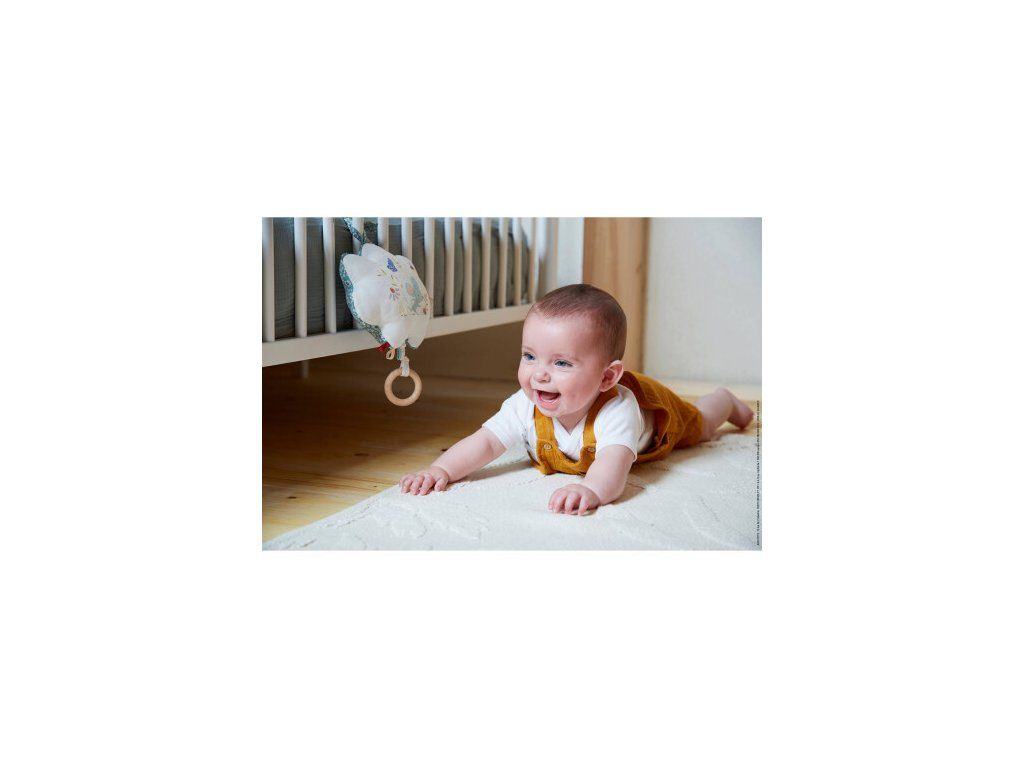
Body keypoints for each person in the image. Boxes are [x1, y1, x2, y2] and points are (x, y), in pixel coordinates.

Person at [399, 284, 754, 515]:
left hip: (659, 414)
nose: (539, 374)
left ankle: (723, 400)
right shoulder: (524, 404)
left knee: (702, 427)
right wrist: (441, 470)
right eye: (529, 356)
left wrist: (592, 490)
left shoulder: (618, 410)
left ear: (607, 377)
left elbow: (613, 465)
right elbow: (487, 442)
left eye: (561, 363)